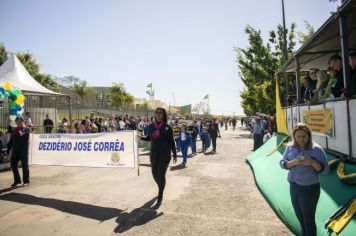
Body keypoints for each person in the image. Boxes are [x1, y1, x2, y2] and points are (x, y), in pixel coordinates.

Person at [280, 123, 329, 236]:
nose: (301, 139)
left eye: (304, 136)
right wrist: (293, 163)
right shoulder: (290, 147)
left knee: (308, 221)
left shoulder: (316, 149)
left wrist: (312, 162)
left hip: (309, 189)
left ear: (309, 136)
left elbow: (326, 170)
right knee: (301, 219)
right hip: (294, 187)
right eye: (298, 137)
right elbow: (282, 163)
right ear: (294, 136)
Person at [140, 108, 177, 208]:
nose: (158, 114)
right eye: (156, 112)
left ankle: (160, 195)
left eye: (160, 113)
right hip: (154, 154)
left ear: (163, 115)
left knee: (161, 175)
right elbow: (149, 138)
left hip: (164, 155)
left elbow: (171, 142)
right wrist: (140, 137)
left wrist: (174, 153)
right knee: (154, 174)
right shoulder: (151, 126)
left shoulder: (167, 127)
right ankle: (161, 186)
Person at [7, 117, 31, 187]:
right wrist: (7, 151)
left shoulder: (26, 129)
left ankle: (26, 181)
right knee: (13, 165)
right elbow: (10, 142)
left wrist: (18, 131)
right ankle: (17, 181)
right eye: (17, 121)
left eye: (20, 121)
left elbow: (24, 136)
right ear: (16, 122)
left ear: (23, 121)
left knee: (24, 166)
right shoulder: (13, 130)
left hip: (23, 151)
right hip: (15, 151)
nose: (19, 122)